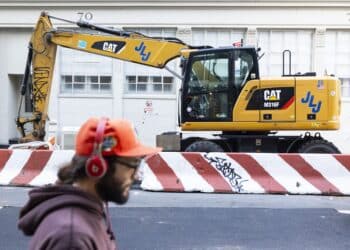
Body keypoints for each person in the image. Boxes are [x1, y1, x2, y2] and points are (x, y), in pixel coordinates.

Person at [18, 117, 161, 250]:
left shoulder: (87, 216)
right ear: (97, 168)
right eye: (132, 164)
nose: (136, 175)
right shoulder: (72, 237)